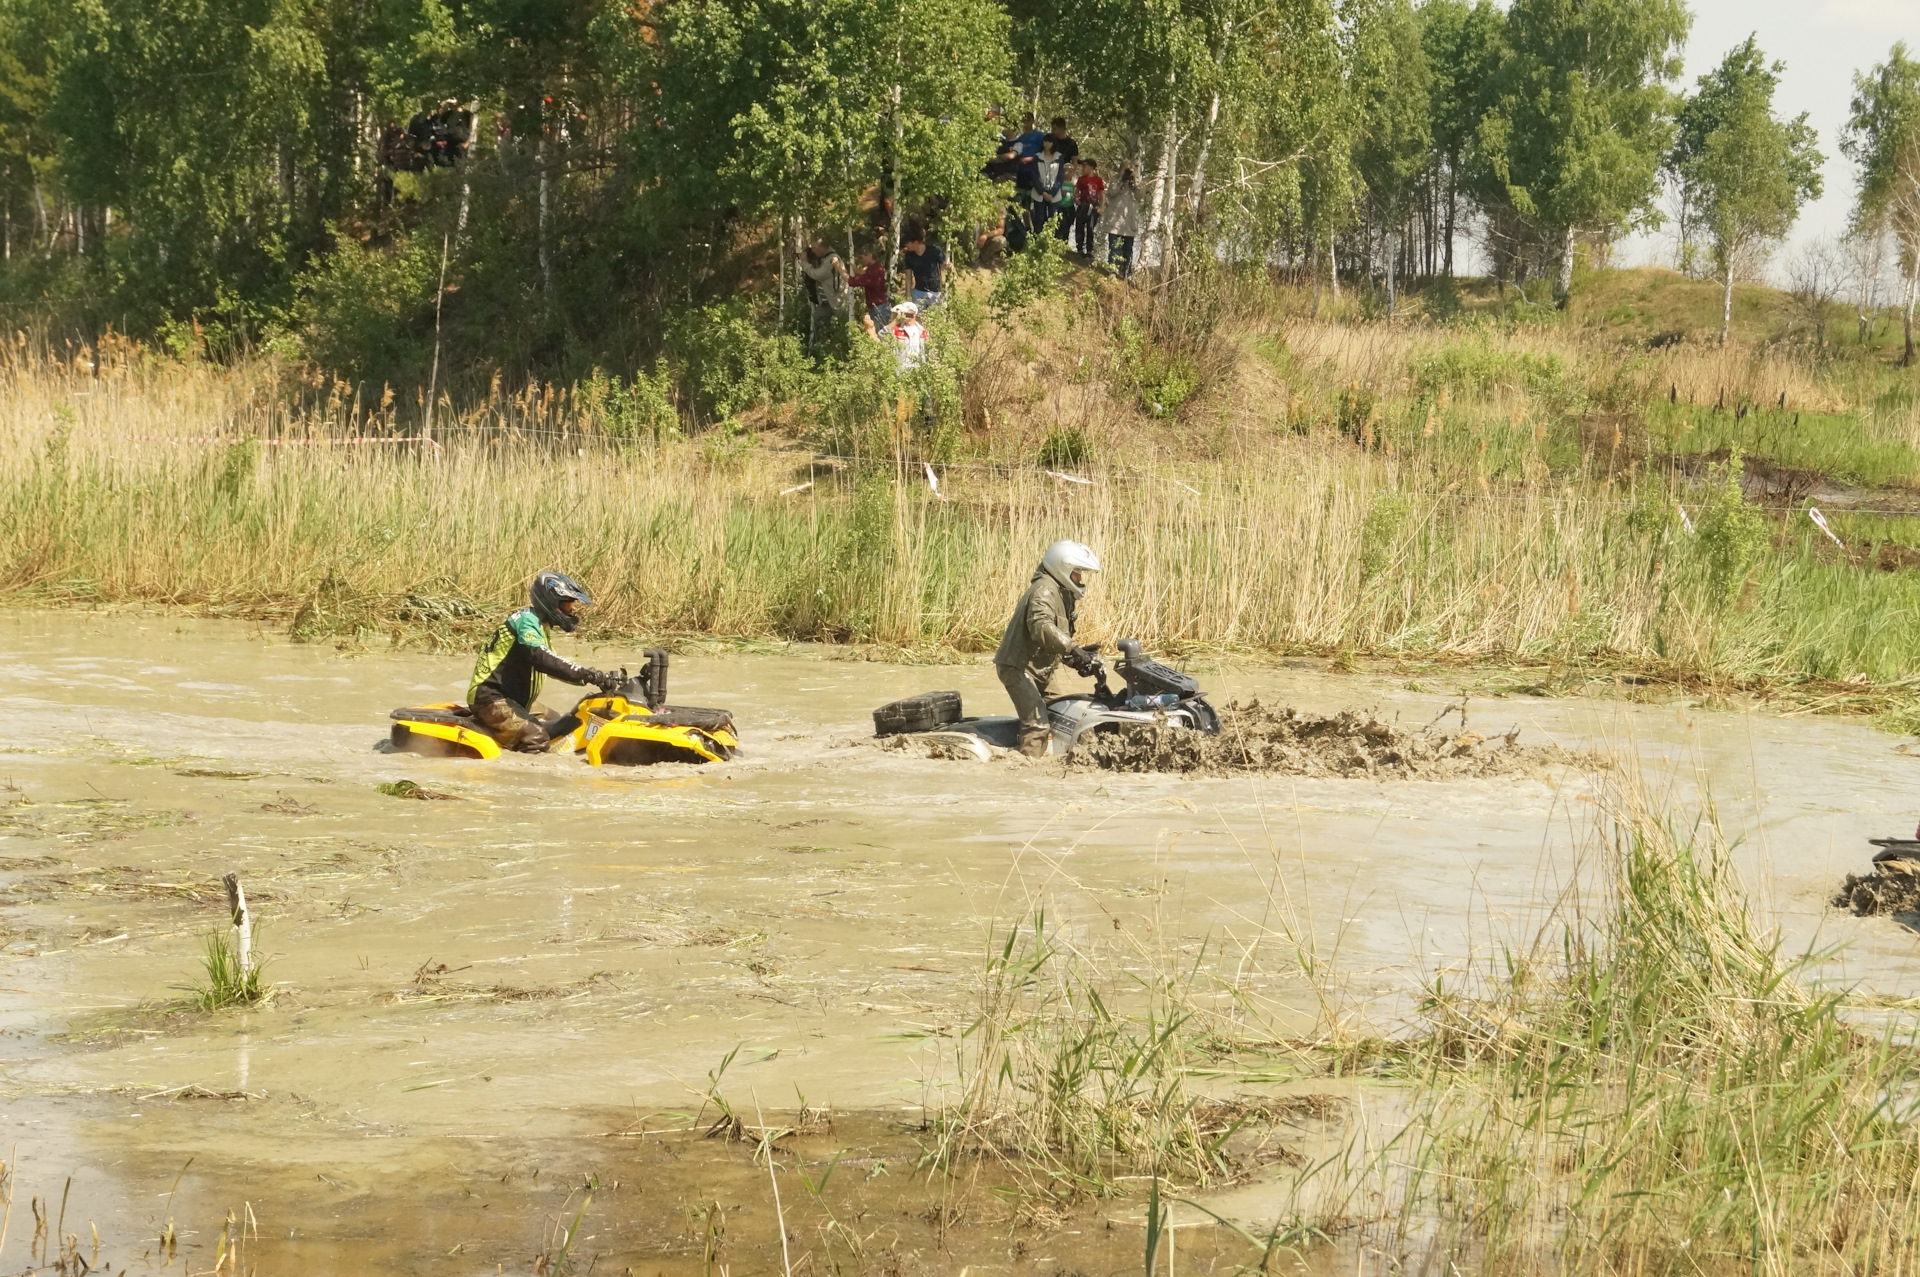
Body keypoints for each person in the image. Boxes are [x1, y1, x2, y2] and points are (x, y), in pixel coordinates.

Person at [468, 571, 622, 752]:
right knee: (537, 737)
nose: (570, 610)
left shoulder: (540, 625)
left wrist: (590, 677)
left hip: (516, 699)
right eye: (567, 605)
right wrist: (587, 674)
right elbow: (542, 659)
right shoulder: (527, 621)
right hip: (492, 698)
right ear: (550, 602)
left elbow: (552, 665)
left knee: (561, 723)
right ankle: (524, 776)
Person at [994, 541, 1103, 757]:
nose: (1080, 578)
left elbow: (1050, 640)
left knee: (1063, 715)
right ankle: (1027, 773)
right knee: (1038, 725)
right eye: (1077, 572)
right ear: (1062, 568)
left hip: (1040, 668)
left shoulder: (1061, 593)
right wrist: (1073, 648)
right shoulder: (1044, 590)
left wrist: (1077, 657)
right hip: (1019, 667)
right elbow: (1041, 626)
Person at [799, 238, 849, 347]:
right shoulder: (824, 258)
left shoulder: (832, 260)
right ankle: (823, 346)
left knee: (840, 325)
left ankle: (837, 347)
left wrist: (805, 264)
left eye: (815, 249)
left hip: (836, 301)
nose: (813, 252)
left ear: (822, 248)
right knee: (819, 321)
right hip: (827, 302)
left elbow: (817, 274)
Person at [1100, 165, 1141, 279]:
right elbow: (1111, 192)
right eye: (1126, 170)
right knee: (1113, 247)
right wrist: (1121, 180)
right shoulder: (1115, 179)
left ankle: (1127, 273)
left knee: (1128, 249)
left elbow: (1141, 195)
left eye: (1130, 171)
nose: (1128, 173)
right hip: (1115, 221)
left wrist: (1135, 182)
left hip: (1129, 223)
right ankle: (1112, 270)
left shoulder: (1136, 182)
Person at [898, 225, 945, 309]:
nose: (906, 245)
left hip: (935, 293)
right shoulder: (909, 255)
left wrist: (942, 292)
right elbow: (908, 277)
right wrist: (908, 298)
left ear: (915, 242)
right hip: (918, 293)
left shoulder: (935, 251)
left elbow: (943, 270)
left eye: (908, 243)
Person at [847, 245, 891, 331]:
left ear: (870, 255)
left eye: (862, 257)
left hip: (879, 308)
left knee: (878, 335)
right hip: (876, 307)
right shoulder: (874, 267)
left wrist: (839, 269)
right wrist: (856, 271)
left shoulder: (876, 270)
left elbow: (854, 281)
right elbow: (865, 274)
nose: (861, 260)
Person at [876, 299, 929, 370]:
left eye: (905, 313)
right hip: (902, 371)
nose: (902, 315)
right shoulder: (897, 329)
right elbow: (881, 336)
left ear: (913, 314)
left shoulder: (923, 331)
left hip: (918, 371)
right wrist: (896, 321)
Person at [1030, 138, 1066, 234]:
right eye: (1045, 141)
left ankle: (1051, 242)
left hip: (1054, 194)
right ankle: (1038, 241)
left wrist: (1052, 193)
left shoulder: (1059, 157)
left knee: (1053, 220)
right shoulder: (1037, 157)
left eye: (1049, 141)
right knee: (1039, 219)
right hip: (1039, 194)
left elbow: (1060, 177)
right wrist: (1042, 192)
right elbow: (1034, 176)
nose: (1047, 144)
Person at [1071, 158, 1106, 257]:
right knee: (1080, 226)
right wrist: (1076, 198)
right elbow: (1077, 192)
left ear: (1091, 167)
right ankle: (1079, 248)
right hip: (1083, 205)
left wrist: (1101, 207)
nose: (1083, 168)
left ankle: (1089, 250)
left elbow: (1101, 194)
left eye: (1084, 166)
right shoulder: (1081, 179)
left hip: (1093, 206)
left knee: (1090, 228)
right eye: (1082, 166)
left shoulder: (1098, 180)